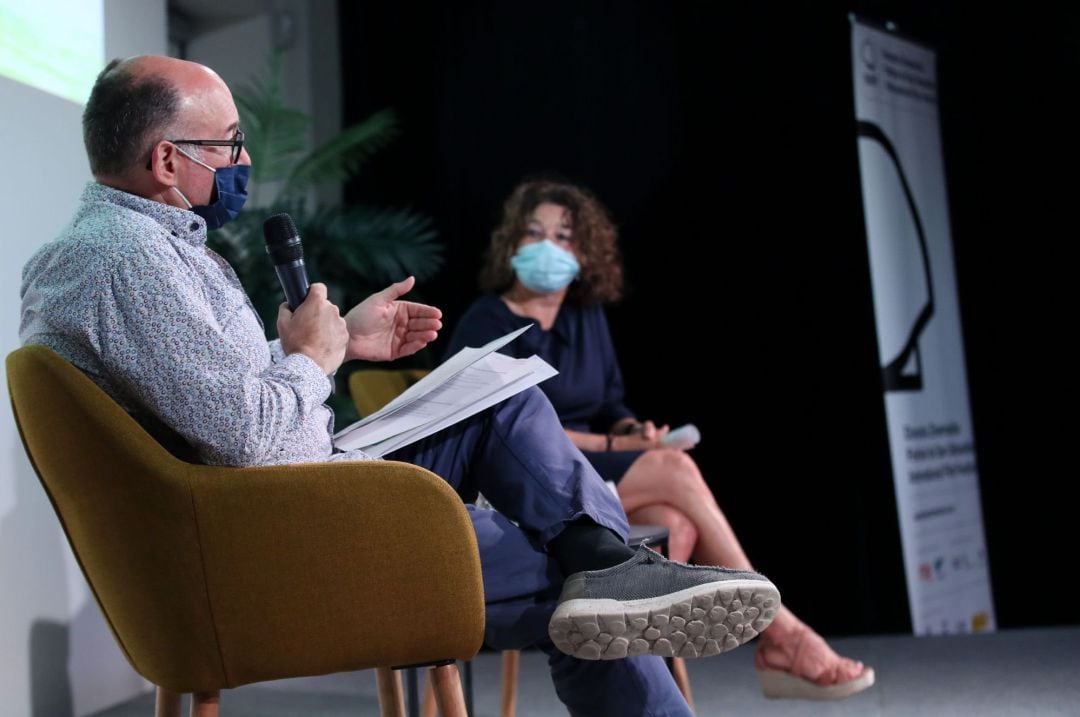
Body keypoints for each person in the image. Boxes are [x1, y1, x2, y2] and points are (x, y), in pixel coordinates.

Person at [18, 56, 787, 717]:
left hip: (287, 490)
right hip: (279, 531)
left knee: (501, 400)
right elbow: (250, 436)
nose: (243, 160)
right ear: (164, 162)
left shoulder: (125, 250)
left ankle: (606, 555)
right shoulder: (130, 264)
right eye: (229, 145)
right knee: (583, 588)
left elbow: (230, 411)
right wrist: (315, 360)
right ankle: (608, 567)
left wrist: (341, 342)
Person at [445, 178, 876, 700]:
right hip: (532, 487)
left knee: (674, 523)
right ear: (512, 242)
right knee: (674, 471)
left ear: (584, 252)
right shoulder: (486, 321)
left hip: (600, 477)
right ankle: (785, 636)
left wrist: (632, 431)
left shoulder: (586, 317)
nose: (547, 247)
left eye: (563, 236)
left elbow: (610, 403)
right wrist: (623, 448)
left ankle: (650, 693)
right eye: (534, 233)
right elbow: (507, 431)